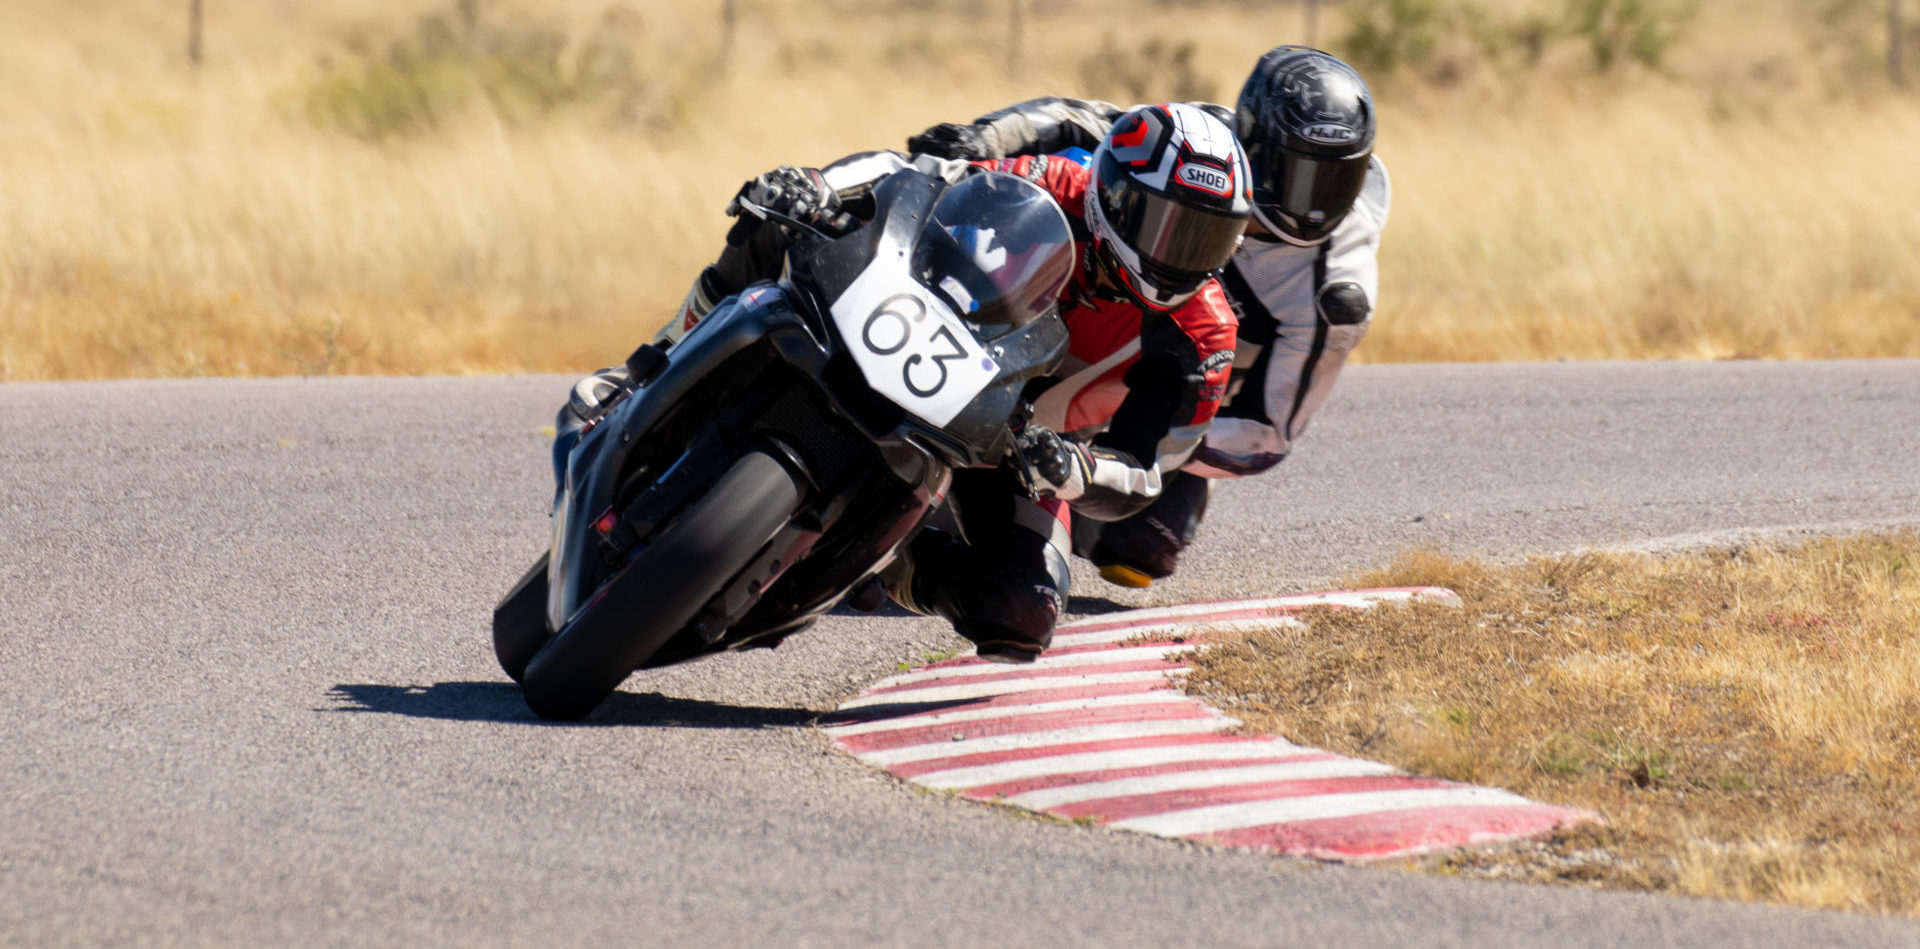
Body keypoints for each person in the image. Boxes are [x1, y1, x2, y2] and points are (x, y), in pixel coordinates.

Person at [573, 103, 1251, 662]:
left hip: (1019, 442)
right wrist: (820, 187)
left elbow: (1145, 472)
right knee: (773, 221)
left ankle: (888, 561)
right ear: (1121, 197)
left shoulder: (1204, 331)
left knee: (1022, 611)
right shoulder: (1053, 182)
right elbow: (915, 175)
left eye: (1208, 240)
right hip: (913, 323)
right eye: (1173, 228)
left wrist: (1069, 466)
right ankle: (651, 362)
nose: (1184, 256)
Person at [905, 46, 1388, 589]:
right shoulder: (1209, 144)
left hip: (1192, 403)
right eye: (1299, 177)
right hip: (1100, 324)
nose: (1313, 207)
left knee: (1136, 549)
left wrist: (1152, 428)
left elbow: (1268, 435)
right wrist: (986, 140)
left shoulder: (1335, 294)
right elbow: (1091, 122)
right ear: (1252, 142)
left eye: (1334, 184)